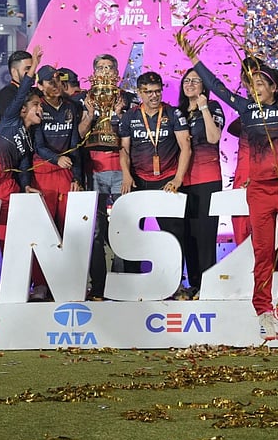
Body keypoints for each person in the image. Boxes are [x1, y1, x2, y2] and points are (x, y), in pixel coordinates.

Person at [179, 32, 278, 340]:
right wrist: (194, 58)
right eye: (252, 85)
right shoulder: (246, 109)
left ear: (274, 86)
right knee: (263, 252)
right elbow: (217, 88)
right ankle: (263, 311)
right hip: (260, 192)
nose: (256, 88)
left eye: (261, 83)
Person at [0, 47, 45, 298]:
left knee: (12, 237)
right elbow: (22, 92)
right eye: (36, 106)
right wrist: (32, 69)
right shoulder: (11, 119)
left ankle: (15, 282)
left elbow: (24, 165)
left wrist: (25, 185)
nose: (41, 110)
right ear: (22, 109)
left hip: (7, 187)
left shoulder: (29, 137)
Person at [119, 71, 192, 295]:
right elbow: (124, 149)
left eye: (157, 91)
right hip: (139, 181)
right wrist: (126, 174)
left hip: (167, 182)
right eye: (148, 92)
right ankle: (131, 284)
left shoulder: (173, 113)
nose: (153, 96)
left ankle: (175, 283)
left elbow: (185, 147)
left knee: (173, 236)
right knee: (132, 233)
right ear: (140, 93)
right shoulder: (130, 116)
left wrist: (178, 178)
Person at [79, 53, 139, 300]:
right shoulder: (83, 99)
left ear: (117, 73)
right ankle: (100, 286)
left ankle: (129, 284)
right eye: (100, 67)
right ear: (94, 72)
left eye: (109, 68)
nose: (105, 71)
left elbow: (135, 134)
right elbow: (79, 134)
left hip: (122, 170)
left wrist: (119, 115)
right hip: (93, 170)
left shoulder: (130, 99)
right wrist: (90, 115)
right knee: (95, 231)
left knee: (125, 228)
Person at [178, 67, 226, 299]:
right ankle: (194, 283)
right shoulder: (176, 112)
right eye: (187, 81)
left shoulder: (214, 108)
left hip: (207, 179)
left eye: (196, 81)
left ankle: (208, 284)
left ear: (204, 86)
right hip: (181, 180)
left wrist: (204, 106)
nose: (190, 84)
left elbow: (214, 138)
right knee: (187, 234)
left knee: (206, 234)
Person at [33, 65, 88, 237]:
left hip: (66, 170)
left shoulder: (70, 107)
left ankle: (68, 262)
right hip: (43, 171)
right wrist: (56, 159)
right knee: (45, 225)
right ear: (40, 86)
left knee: (67, 224)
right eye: (50, 82)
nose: (56, 85)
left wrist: (77, 178)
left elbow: (74, 144)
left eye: (58, 80)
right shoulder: (38, 107)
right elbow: (38, 146)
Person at [0, 50, 35, 118]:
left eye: (33, 68)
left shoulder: (36, 92)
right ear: (14, 72)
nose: (32, 72)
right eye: (28, 68)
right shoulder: (6, 94)